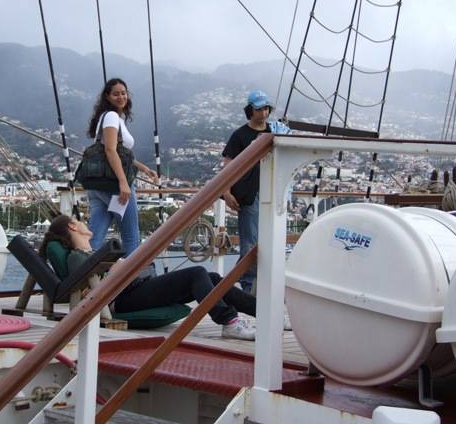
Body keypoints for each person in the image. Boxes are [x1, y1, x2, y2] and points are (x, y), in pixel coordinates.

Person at [40, 214, 260, 340]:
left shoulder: (90, 253)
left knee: (210, 277)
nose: (83, 221)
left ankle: (263, 312)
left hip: (134, 288)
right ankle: (229, 321)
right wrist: (120, 269)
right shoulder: (76, 257)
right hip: (122, 300)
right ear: (72, 226)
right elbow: (87, 290)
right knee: (197, 273)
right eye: (78, 220)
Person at [222, 89, 289, 293]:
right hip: (250, 195)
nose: (264, 113)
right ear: (250, 110)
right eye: (259, 109)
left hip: (272, 192)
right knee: (250, 242)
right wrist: (226, 192)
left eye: (266, 108)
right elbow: (228, 165)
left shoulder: (276, 131)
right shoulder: (240, 135)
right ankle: (248, 286)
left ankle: (261, 285)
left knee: (271, 242)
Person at [85, 78, 158, 257]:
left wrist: (143, 169)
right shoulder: (111, 117)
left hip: (98, 186)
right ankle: (131, 282)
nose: (121, 97)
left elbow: (119, 153)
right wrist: (123, 183)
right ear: (108, 97)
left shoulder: (107, 118)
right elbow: (110, 150)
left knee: (94, 239)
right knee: (131, 237)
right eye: (116, 93)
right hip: (115, 187)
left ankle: (82, 279)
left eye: (123, 93)